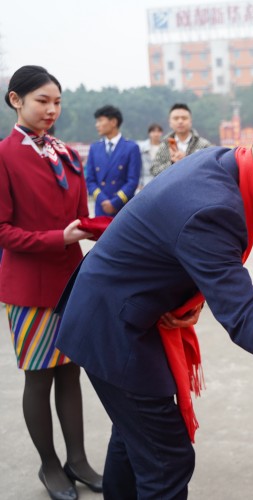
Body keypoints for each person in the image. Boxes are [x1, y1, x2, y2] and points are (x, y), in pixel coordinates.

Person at [54, 119, 253, 498]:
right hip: (111, 325)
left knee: (133, 439)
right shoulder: (214, 207)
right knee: (167, 457)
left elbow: (185, 252)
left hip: (125, 307)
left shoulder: (227, 164)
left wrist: (189, 297)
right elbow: (247, 323)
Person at [0, 65, 102, 500]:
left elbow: (80, 217)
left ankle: (77, 459)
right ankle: (49, 465)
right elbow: (3, 229)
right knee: (39, 377)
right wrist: (57, 237)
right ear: (15, 100)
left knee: (71, 373)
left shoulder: (65, 153)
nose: (51, 110)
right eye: (42, 101)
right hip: (27, 287)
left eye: (57, 102)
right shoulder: (4, 155)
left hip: (69, 280)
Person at [85, 105, 142, 216]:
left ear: (113, 122)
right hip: (101, 208)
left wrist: (115, 202)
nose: (97, 125)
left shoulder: (131, 147)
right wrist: (103, 200)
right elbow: (90, 180)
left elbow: (132, 181)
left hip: (123, 207)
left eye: (100, 121)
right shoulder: (95, 148)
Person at [150, 103, 212, 177]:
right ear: (170, 122)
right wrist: (172, 162)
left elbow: (210, 169)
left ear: (190, 121)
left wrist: (187, 159)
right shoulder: (165, 145)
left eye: (184, 118)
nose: (180, 121)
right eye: (176, 118)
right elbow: (154, 170)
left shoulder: (203, 145)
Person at [138, 123, 163, 188]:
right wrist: (139, 182)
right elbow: (139, 166)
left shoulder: (165, 147)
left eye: (158, 131)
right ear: (149, 133)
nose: (156, 134)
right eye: (153, 131)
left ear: (161, 133)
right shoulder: (142, 148)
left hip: (161, 180)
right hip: (146, 180)